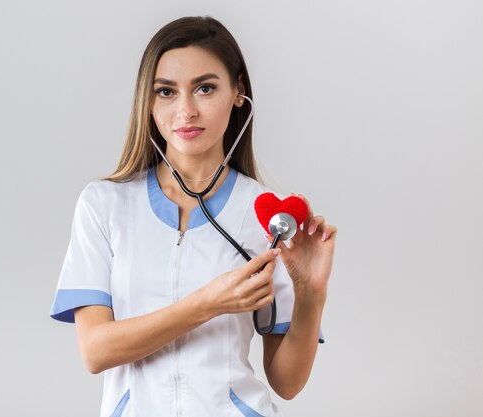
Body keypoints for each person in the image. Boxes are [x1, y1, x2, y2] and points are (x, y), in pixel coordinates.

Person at [50, 15, 337, 417]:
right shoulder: (104, 205)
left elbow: (287, 383)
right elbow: (96, 351)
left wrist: (311, 295)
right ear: (147, 102)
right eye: (166, 91)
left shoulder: (268, 216)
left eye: (205, 88)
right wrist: (208, 303)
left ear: (238, 92)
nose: (185, 111)